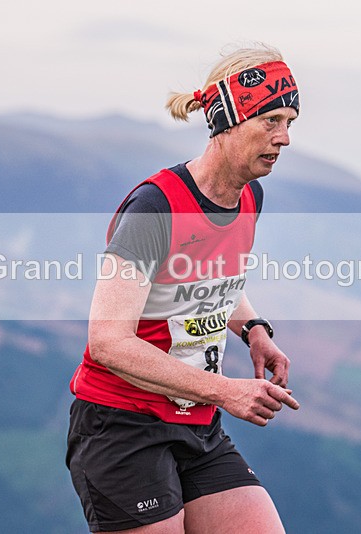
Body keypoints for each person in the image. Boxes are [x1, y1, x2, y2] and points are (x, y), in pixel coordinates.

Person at [66, 43, 301, 533]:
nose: (284, 138)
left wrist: (253, 329)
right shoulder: (155, 208)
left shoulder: (248, 196)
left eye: (290, 123)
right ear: (227, 121)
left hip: (197, 425)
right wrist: (227, 391)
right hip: (122, 427)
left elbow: (211, 277)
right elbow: (107, 342)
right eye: (271, 121)